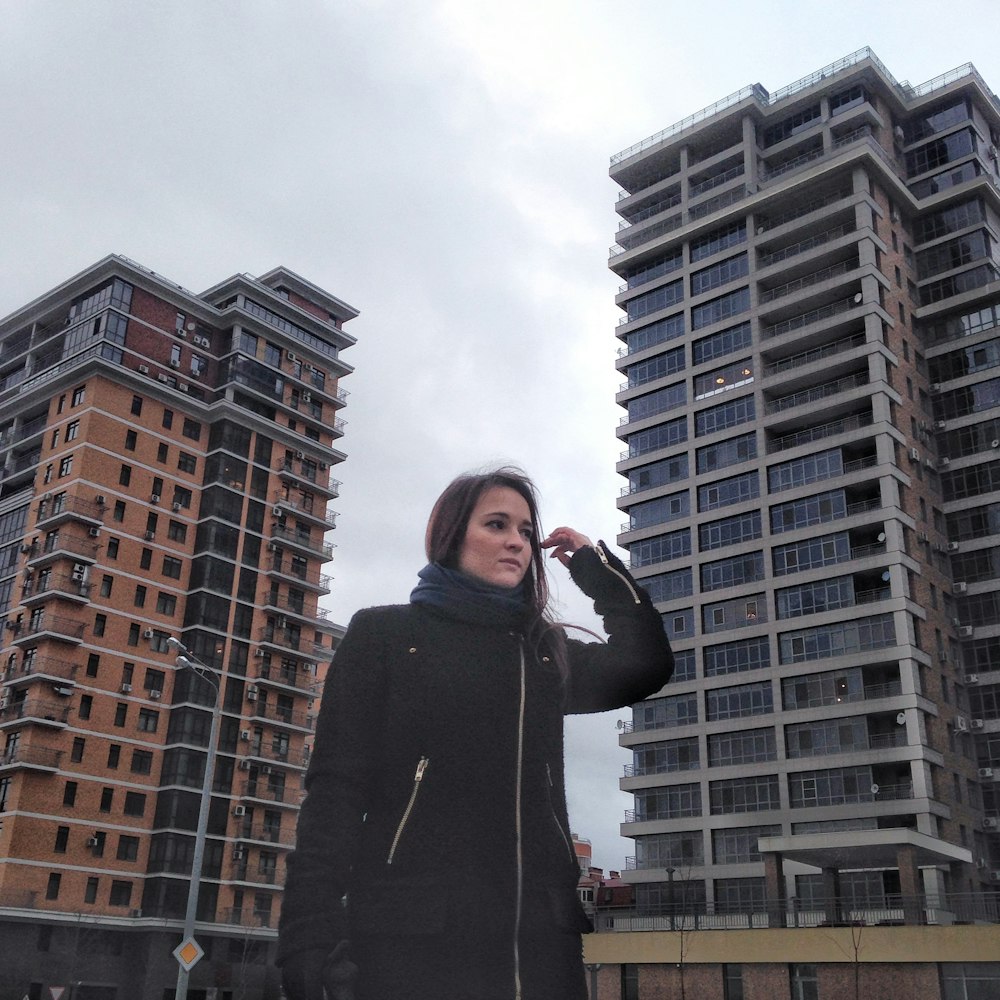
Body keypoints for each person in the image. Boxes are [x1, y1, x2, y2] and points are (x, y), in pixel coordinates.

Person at [277, 467, 673, 1000]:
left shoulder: (542, 653)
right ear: (452, 535)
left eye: (527, 531)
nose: (517, 541)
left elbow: (645, 664)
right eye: (497, 524)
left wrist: (594, 568)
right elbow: (334, 797)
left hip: (539, 953)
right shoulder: (386, 636)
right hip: (412, 946)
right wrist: (308, 942)